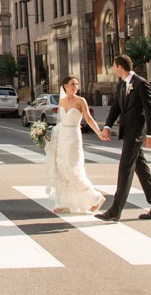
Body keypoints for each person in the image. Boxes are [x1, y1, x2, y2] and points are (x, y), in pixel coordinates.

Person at [96, 55, 151, 221]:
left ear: (120, 67)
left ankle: (115, 210)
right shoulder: (121, 85)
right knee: (141, 169)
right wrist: (107, 126)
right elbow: (116, 108)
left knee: (125, 169)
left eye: (114, 66)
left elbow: (150, 110)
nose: (113, 69)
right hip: (127, 132)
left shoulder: (141, 83)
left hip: (136, 134)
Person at [45, 75, 105, 214]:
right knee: (61, 168)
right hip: (62, 137)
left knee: (73, 170)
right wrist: (50, 135)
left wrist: (99, 132)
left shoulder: (81, 101)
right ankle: (64, 202)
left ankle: (96, 198)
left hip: (73, 137)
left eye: (76, 84)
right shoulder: (61, 101)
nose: (75, 87)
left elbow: (89, 119)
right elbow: (59, 123)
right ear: (65, 86)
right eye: (72, 84)